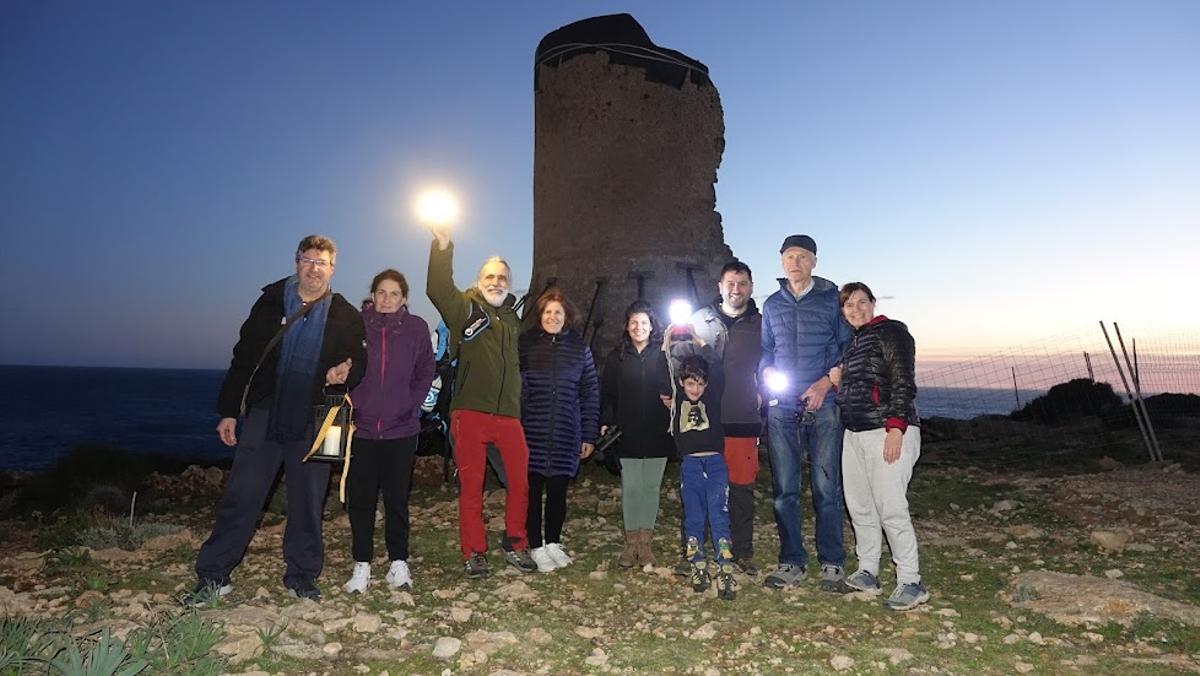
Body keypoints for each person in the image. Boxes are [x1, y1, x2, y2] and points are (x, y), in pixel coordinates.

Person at [192, 235, 366, 603]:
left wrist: (345, 370)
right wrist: (228, 411)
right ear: (296, 261)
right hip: (265, 411)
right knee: (242, 495)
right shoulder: (270, 302)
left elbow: (358, 360)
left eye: (322, 263)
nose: (314, 269)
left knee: (308, 500)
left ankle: (302, 576)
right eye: (308, 260)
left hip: (316, 418)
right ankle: (213, 575)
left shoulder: (344, 313)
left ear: (333, 269)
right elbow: (244, 357)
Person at [426, 226, 538, 577]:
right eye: (490, 276)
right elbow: (438, 289)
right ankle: (473, 552)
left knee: (520, 483)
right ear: (479, 279)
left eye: (502, 277)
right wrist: (442, 246)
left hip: (508, 415)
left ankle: (516, 544)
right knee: (472, 488)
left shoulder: (512, 319)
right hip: (470, 413)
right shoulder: (465, 308)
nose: (496, 281)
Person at [760, 234, 852, 591]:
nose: (794, 262)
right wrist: (765, 372)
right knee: (784, 488)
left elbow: (847, 348)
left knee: (826, 486)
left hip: (824, 402)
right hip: (782, 405)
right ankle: (791, 562)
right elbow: (766, 351)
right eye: (789, 256)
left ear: (814, 262)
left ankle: (832, 563)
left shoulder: (832, 301)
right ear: (782, 262)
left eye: (802, 256)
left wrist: (825, 384)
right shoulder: (772, 305)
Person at [836, 282, 929, 611]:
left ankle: (911, 581)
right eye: (848, 305)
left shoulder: (892, 332)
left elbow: (904, 380)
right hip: (856, 432)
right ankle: (868, 571)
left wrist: (896, 427)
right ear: (843, 312)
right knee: (860, 506)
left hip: (887, 431)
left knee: (890, 507)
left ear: (873, 303)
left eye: (861, 302)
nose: (856, 308)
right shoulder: (854, 342)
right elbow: (863, 387)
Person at [342, 269, 435, 593]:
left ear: (404, 299)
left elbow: (426, 369)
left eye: (394, 293)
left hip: (401, 429)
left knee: (397, 499)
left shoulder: (416, 328)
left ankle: (398, 563)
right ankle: (362, 565)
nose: (387, 299)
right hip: (362, 429)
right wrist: (352, 400)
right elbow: (341, 363)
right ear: (373, 294)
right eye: (381, 292)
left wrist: (412, 403)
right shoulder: (357, 325)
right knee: (361, 500)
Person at [518, 289, 600, 572]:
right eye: (548, 312)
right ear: (540, 316)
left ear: (567, 317)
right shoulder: (526, 345)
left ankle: (552, 541)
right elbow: (518, 388)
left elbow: (589, 392)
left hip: (566, 430)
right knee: (532, 490)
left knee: (557, 491)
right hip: (532, 430)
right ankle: (536, 545)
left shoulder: (579, 349)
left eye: (558, 313)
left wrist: (589, 434)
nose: (552, 317)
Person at [690, 261, 763, 575]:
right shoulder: (699, 320)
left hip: (743, 416)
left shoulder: (761, 323)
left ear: (750, 286)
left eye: (743, 283)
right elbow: (680, 361)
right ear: (719, 286)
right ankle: (698, 549)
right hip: (704, 417)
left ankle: (742, 550)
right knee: (701, 487)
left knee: (742, 488)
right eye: (731, 283)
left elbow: (772, 359)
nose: (737, 289)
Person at [600, 300, 673, 568]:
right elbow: (607, 394)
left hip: (657, 431)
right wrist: (606, 422)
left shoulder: (664, 356)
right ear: (626, 326)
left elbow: (675, 388)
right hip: (626, 432)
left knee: (651, 488)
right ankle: (631, 544)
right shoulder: (616, 357)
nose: (638, 327)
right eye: (633, 322)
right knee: (631, 489)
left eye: (643, 322)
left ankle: (646, 542)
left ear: (652, 326)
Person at [666, 334, 737, 600]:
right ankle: (697, 564)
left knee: (718, 513)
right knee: (694, 515)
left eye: (699, 383)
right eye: (690, 383)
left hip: (715, 463)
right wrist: (666, 344)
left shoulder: (712, 396)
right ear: (682, 383)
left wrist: (699, 341)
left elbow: (717, 367)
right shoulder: (677, 398)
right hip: (690, 464)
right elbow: (663, 370)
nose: (695, 389)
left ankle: (725, 569)